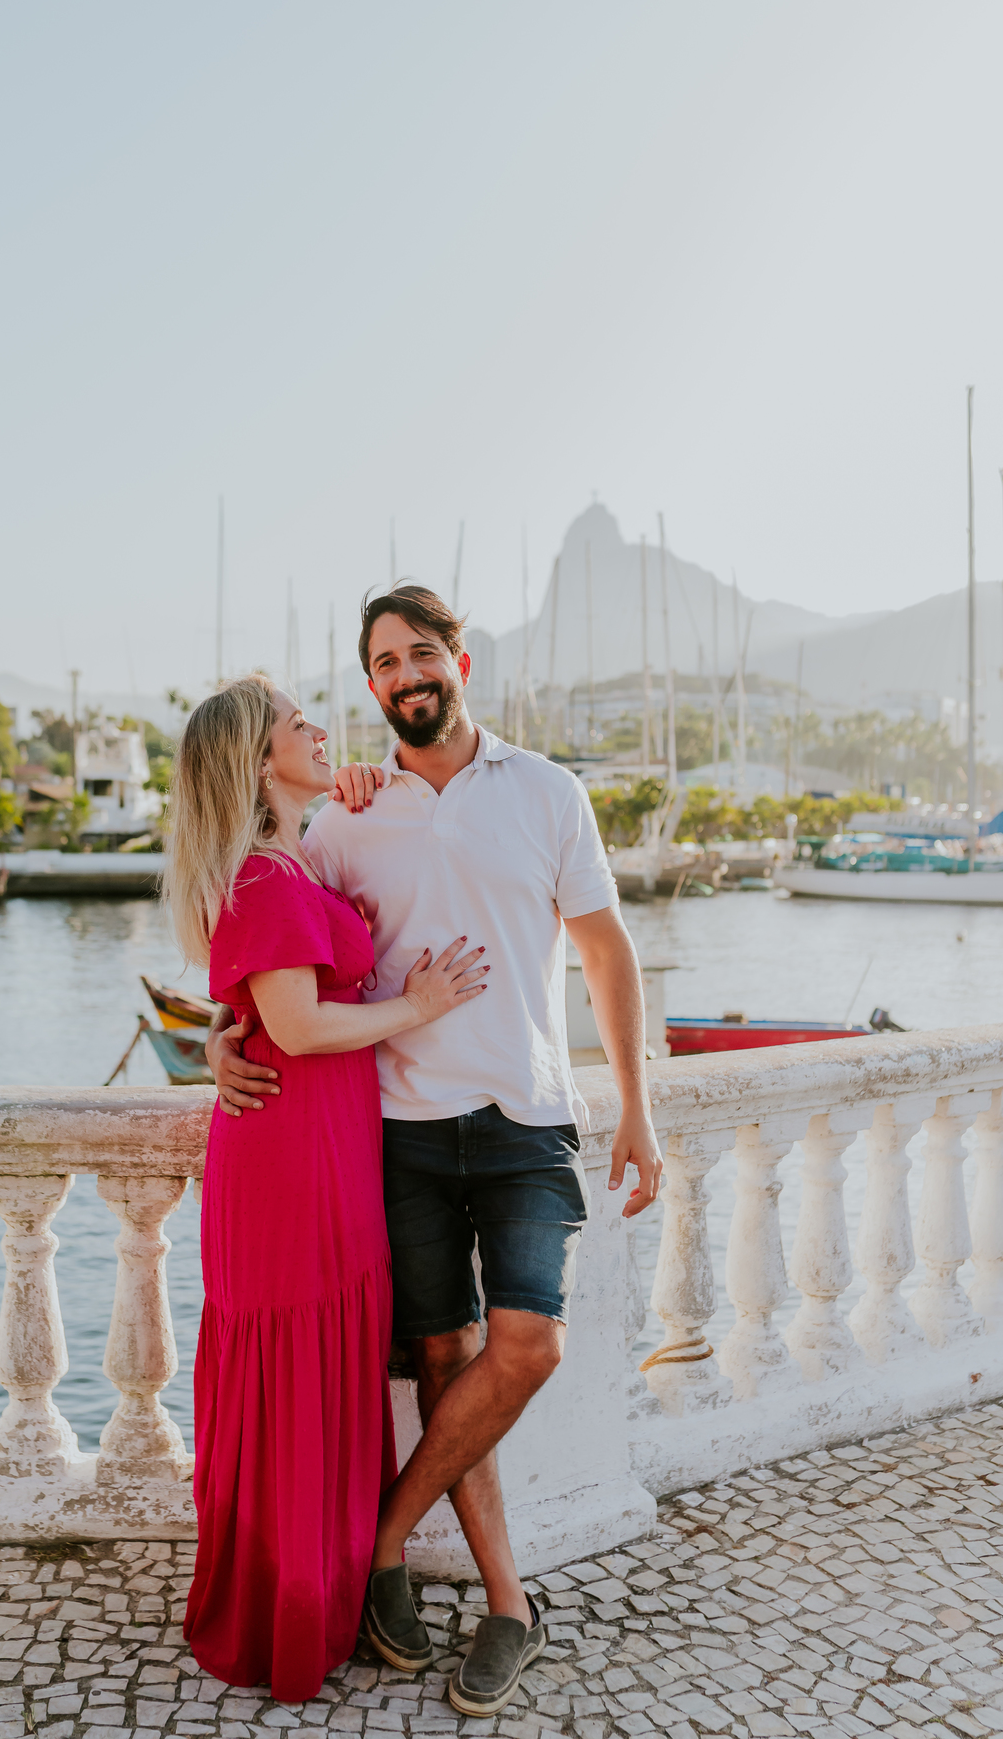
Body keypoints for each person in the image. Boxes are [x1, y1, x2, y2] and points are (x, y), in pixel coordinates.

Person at [209, 586, 663, 1718]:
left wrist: (637, 1106)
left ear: (460, 661)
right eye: (384, 662)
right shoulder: (343, 819)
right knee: (447, 1361)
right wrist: (222, 1035)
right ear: (372, 685)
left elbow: (606, 952)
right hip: (398, 1134)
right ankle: (509, 1606)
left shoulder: (547, 791)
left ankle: (379, 1544)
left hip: (526, 1117)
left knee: (530, 1345)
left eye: (422, 653)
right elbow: (276, 942)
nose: (405, 674)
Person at [164, 673, 489, 1703]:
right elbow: (299, 1027)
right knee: (292, 1375)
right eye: (296, 724)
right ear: (258, 762)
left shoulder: (292, 855)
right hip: (290, 1158)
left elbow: (266, 1004)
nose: (319, 730)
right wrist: (419, 1006)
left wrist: (223, 1033)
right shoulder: (264, 877)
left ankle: (320, 1591)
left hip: (329, 1148)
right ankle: (285, 1610)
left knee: (324, 1369)